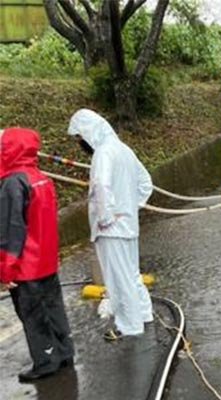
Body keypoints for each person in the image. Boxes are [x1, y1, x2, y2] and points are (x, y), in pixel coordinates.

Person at [67, 109, 154, 341]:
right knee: (131, 274)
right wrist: (129, 209)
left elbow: (101, 187)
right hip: (127, 226)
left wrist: (106, 218)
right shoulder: (124, 149)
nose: (80, 143)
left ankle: (129, 327)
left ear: (88, 133)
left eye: (79, 138)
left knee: (118, 279)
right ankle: (144, 315)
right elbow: (146, 183)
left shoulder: (103, 153)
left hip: (112, 229)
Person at [0, 127, 75, 382]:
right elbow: (48, 223)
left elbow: (12, 230)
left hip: (27, 266)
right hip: (46, 261)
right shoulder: (40, 177)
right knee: (54, 308)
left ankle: (45, 361)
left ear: (10, 149)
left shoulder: (13, 183)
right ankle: (64, 352)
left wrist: (6, 269)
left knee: (33, 315)